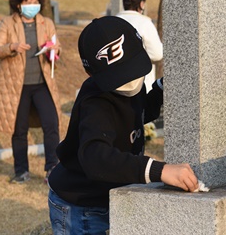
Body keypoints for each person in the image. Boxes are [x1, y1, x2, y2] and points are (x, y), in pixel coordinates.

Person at [48, 16, 198, 234]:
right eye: (119, 77)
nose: (130, 82)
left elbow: (140, 111)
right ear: (95, 75)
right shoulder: (96, 102)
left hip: (109, 196)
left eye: (132, 71)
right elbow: (95, 156)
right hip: (80, 204)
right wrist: (159, 170)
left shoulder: (131, 90)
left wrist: (165, 86)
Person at [0, 0, 62, 184]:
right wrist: (11, 46)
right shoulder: (7, 24)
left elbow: (57, 48)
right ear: (19, 4)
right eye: (28, 2)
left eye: (35, 2)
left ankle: (52, 168)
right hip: (16, 86)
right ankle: (21, 171)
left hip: (42, 83)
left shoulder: (46, 23)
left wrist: (53, 50)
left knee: (52, 124)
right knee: (19, 130)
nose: (33, 5)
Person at [116, 0, 163, 92]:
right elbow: (157, 54)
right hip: (140, 84)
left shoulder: (112, 22)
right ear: (141, 4)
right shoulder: (145, 23)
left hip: (116, 83)